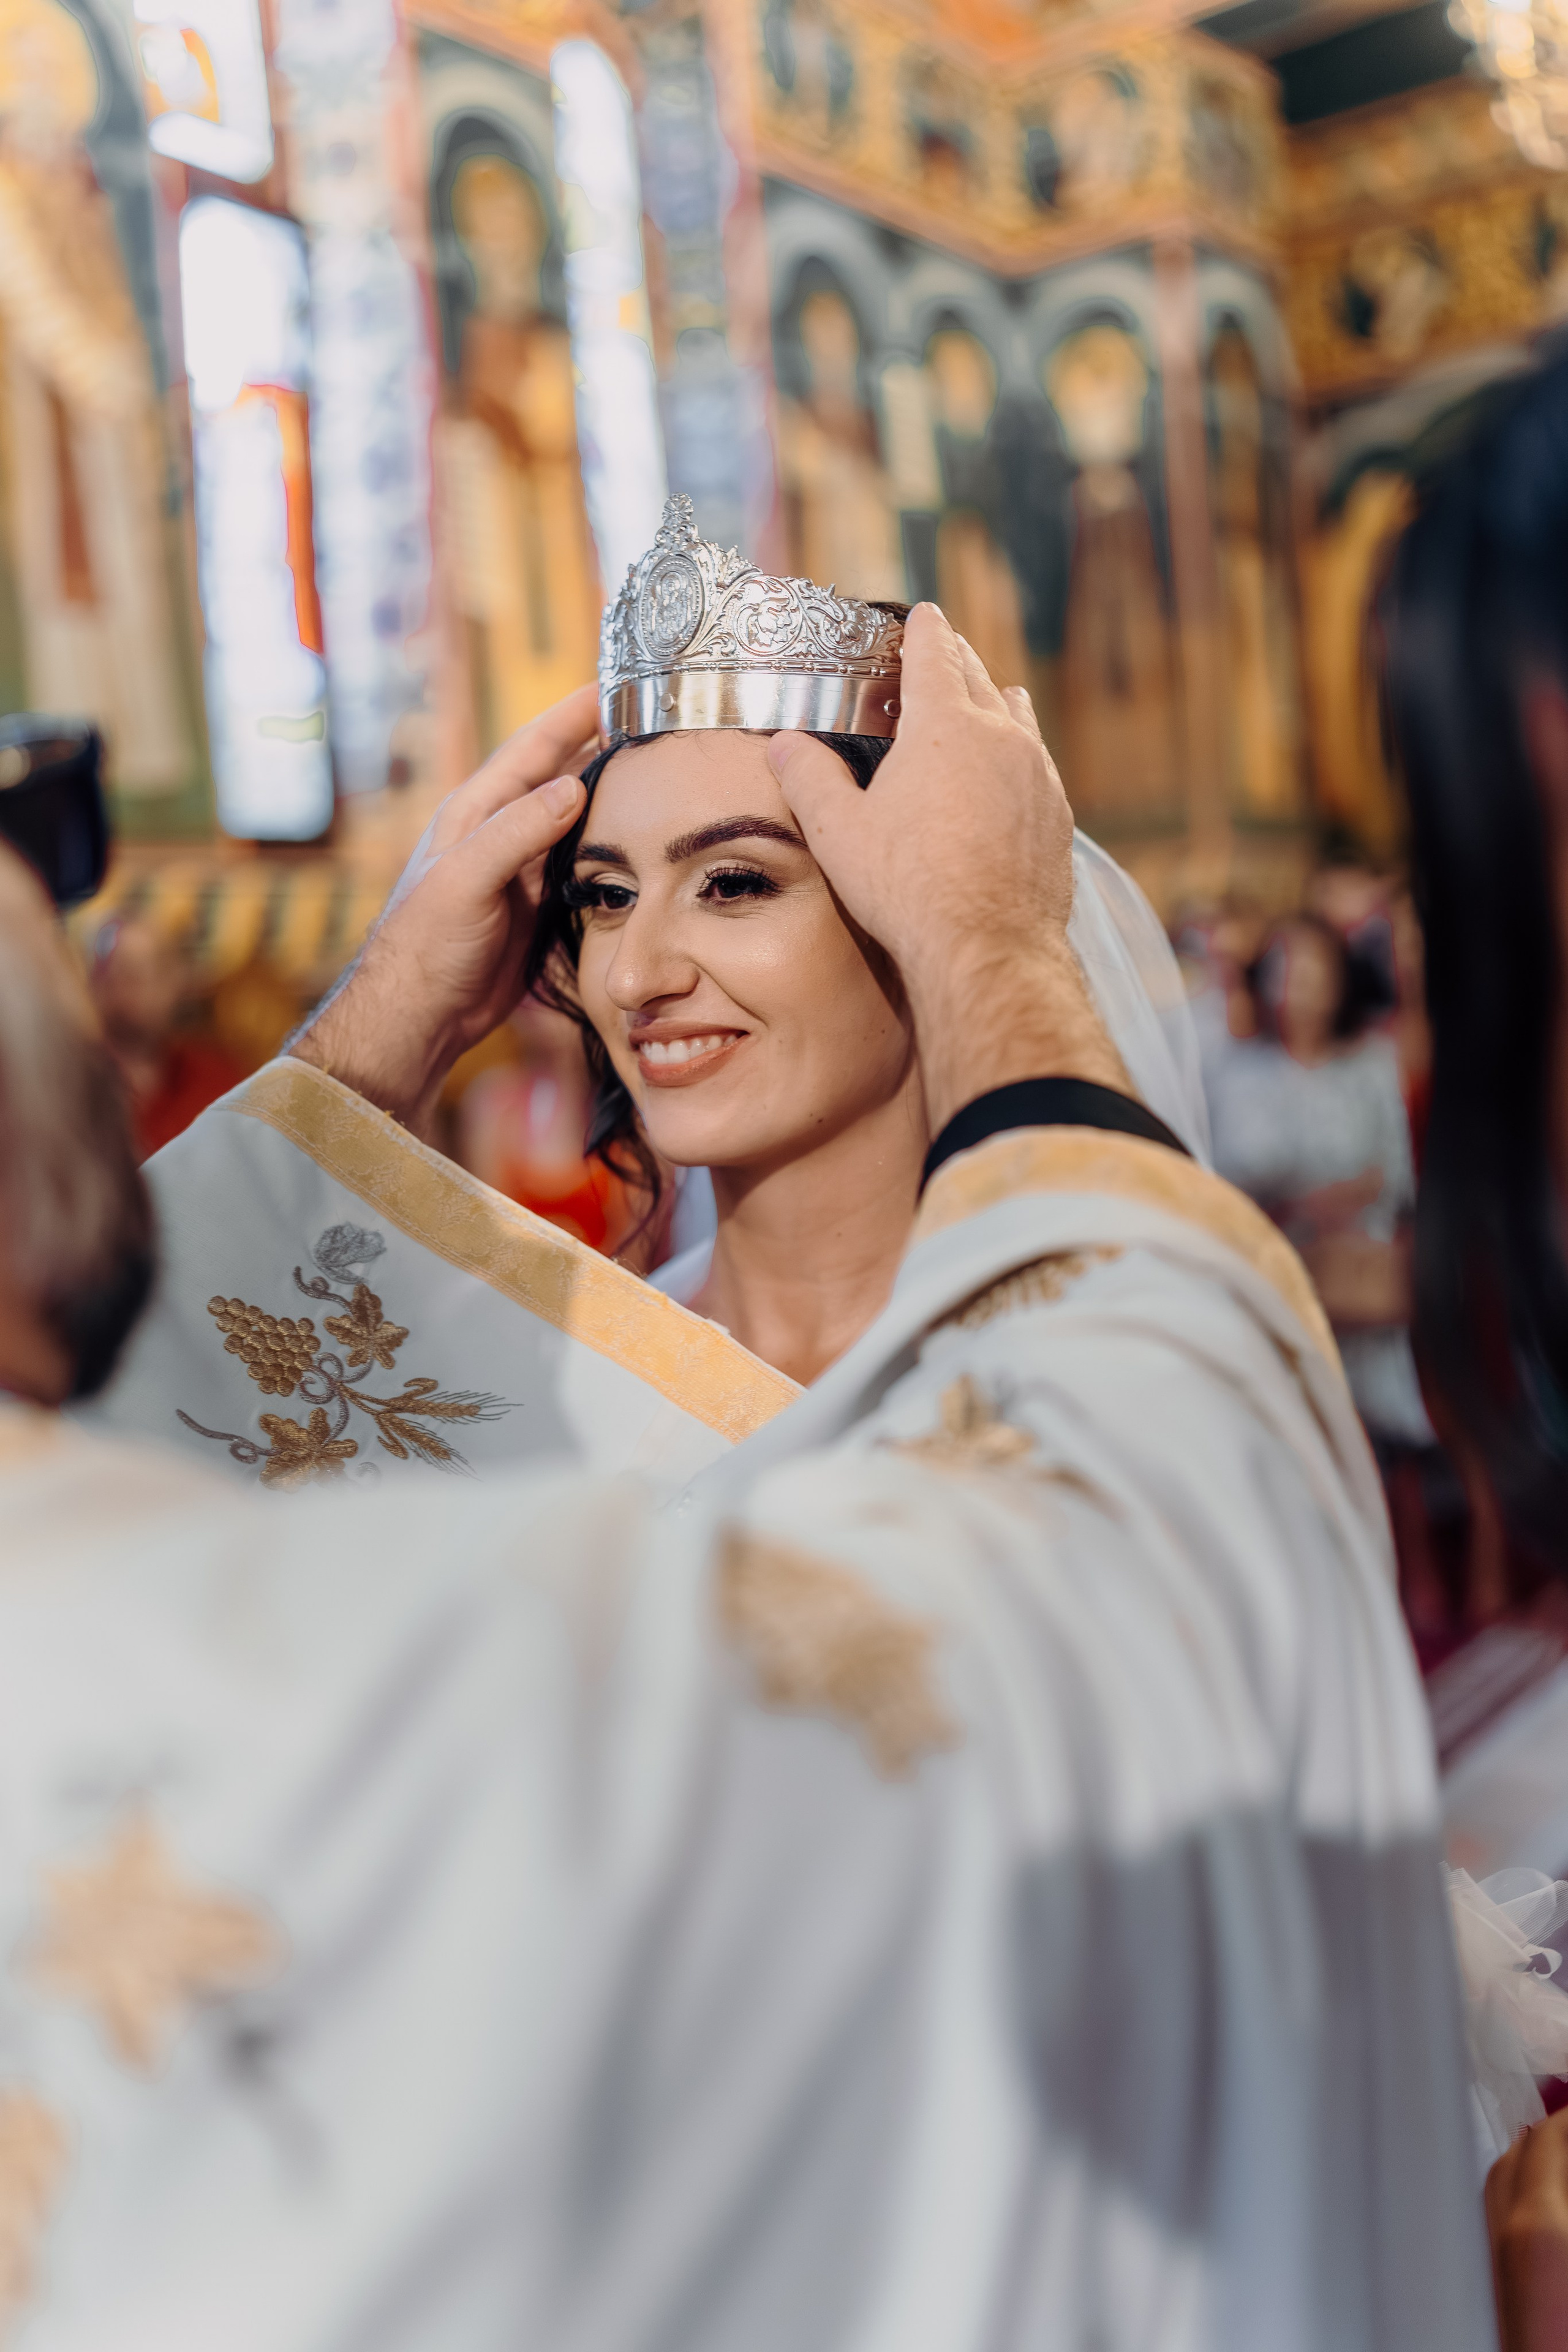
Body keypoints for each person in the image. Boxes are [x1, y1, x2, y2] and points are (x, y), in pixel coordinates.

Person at [0, 586, 1492, 2344]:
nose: (639, 969)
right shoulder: (510, 1368)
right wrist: (384, 1012)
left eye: (736, 881)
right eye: (601, 895)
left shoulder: (1047, 1360)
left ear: (919, 896)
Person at [1208, 910, 1428, 1453]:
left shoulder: (1372, 1065)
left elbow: (1396, 1178)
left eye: (1312, 971)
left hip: (1358, 1289)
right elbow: (1218, 1184)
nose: (1297, 986)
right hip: (1269, 1280)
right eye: (1285, 970)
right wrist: (1299, 1205)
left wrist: (1339, 1200)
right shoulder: (1234, 1072)